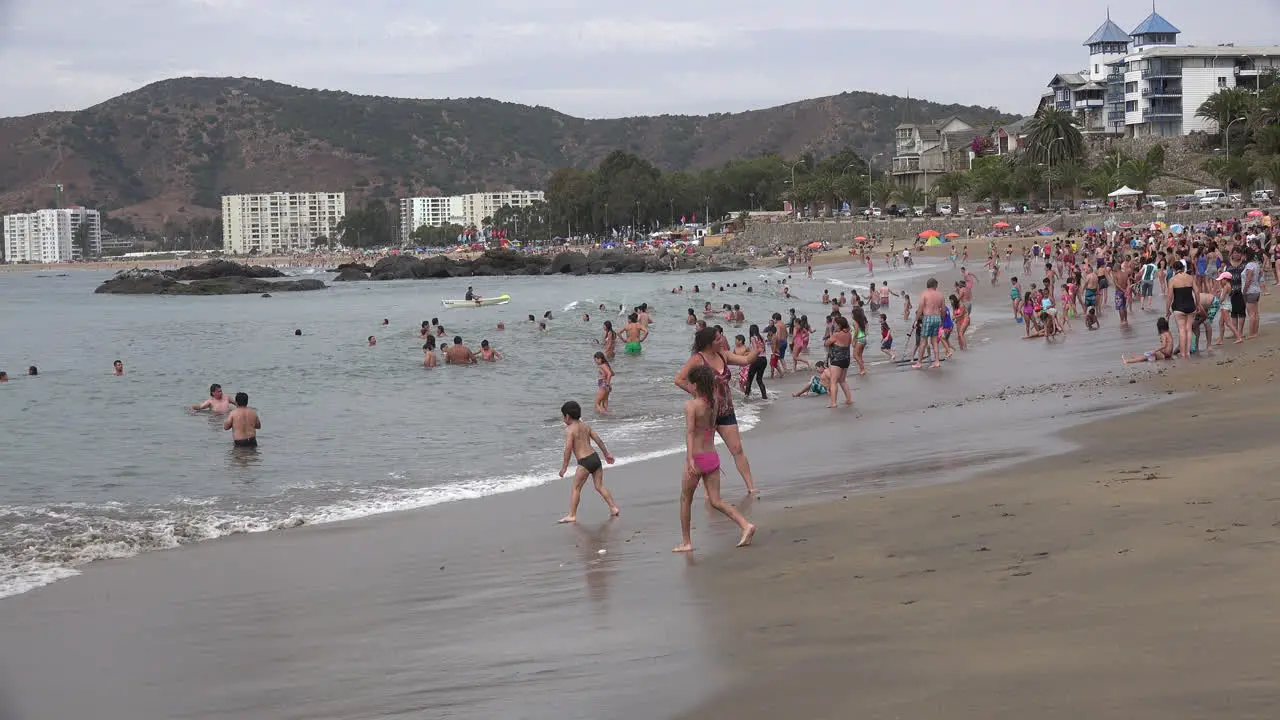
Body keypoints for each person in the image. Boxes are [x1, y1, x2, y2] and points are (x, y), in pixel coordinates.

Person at [672, 365, 755, 552]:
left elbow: (691, 433)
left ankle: (686, 542)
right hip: (712, 457)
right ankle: (745, 524)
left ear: (694, 385)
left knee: (685, 499)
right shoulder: (714, 402)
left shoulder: (691, 405)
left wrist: (691, 460)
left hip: (698, 458)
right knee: (716, 501)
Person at [674, 327, 760, 495]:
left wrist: (756, 351)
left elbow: (746, 360)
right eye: (718, 339)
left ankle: (751, 487)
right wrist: (697, 394)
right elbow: (679, 379)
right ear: (709, 343)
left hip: (726, 410)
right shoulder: (698, 359)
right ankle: (709, 494)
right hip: (706, 413)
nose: (722, 340)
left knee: (737, 449)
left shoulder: (723, 354)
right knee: (707, 452)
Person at [556, 400, 619, 523]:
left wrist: (564, 467)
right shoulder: (585, 426)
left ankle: (572, 515)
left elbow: (568, 449)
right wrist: (606, 454)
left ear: (567, 416)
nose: (563, 419)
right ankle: (613, 507)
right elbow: (598, 439)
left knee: (576, 488)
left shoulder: (570, 430)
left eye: (563, 416)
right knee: (599, 486)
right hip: (595, 458)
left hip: (584, 462)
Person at [912, 278, 945, 370]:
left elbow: (920, 308)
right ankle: (937, 361)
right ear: (934, 285)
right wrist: (941, 321)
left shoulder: (924, 294)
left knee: (923, 341)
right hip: (937, 317)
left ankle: (919, 363)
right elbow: (943, 309)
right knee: (934, 341)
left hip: (928, 318)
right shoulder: (940, 295)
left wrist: (916, 320)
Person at [823, 316, 854, 407]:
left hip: (837, 360)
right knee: (843, 380)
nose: (834, 325)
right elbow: (850, 343)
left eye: (835, 324)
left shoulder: (837, 335)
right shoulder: (848, 333)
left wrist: (831, 333)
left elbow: (826, 343)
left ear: (839, 325)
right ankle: (849, 399)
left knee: (833, 381)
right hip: (846, 359)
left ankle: (833, 403)